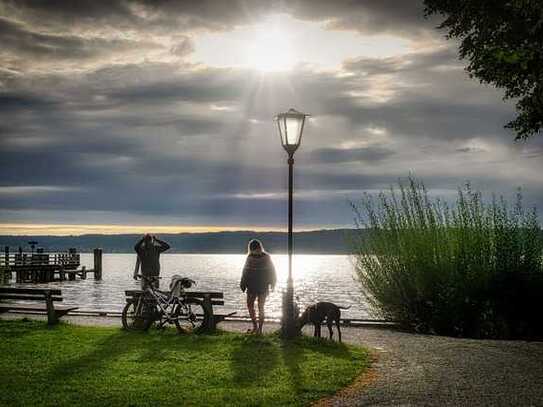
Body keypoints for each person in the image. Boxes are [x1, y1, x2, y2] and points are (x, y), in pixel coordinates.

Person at [240, 239, 276, 334]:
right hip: (263, 287)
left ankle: (255, 327)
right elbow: (272, 271)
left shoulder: (250, 258)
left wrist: (242, 285)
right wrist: (273, 283)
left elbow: (245, 273)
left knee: (250, 306)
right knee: (261, 307)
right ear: (260, 247)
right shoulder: (267, 257)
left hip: (252, 287)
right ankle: (260, 329)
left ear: (250, 248)